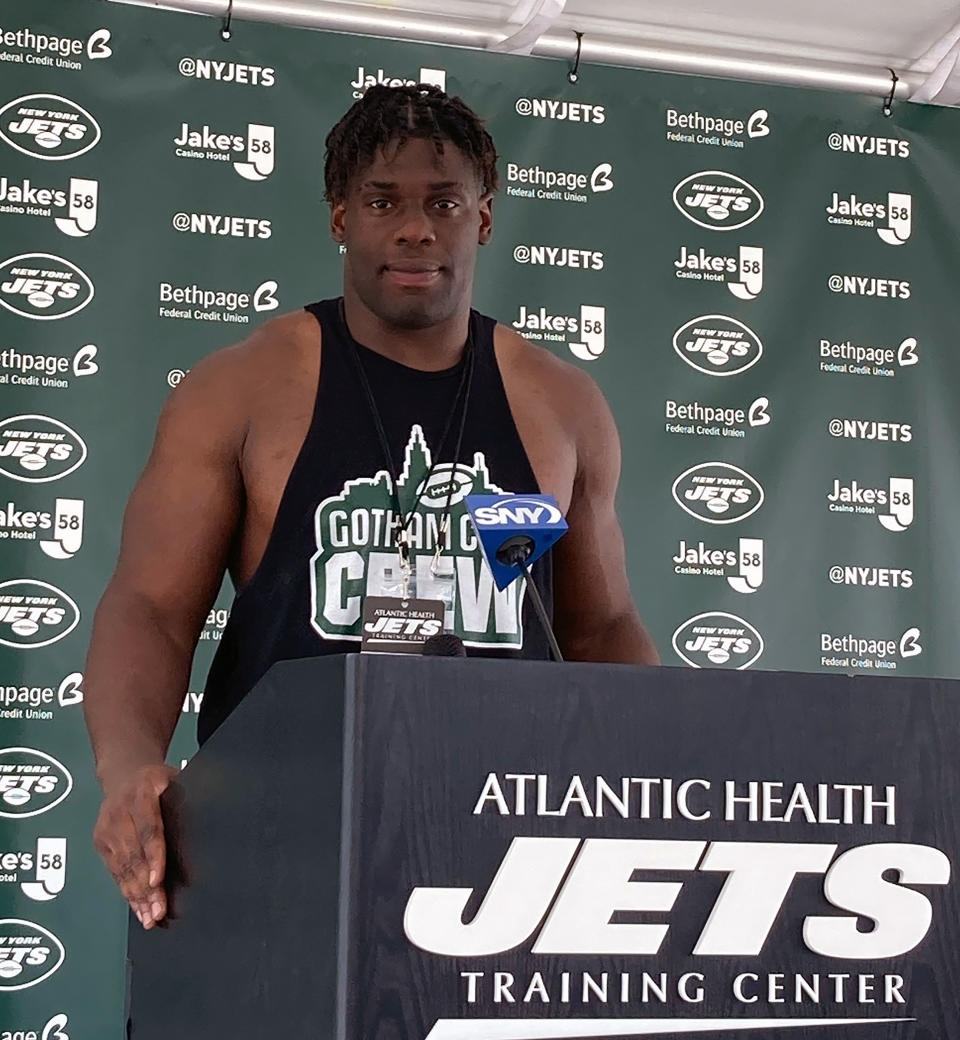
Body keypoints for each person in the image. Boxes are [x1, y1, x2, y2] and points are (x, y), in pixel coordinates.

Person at [84, 84, 659, 933]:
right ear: (341, 217)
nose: (416, 228)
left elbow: (603, 628)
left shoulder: (562, 403)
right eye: (384, 201)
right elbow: (152, 608)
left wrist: (657, 777)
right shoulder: (243, 387)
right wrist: (131, 764)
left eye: (444, 203)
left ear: (484, 219)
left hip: (510, 843)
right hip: (280, 824)